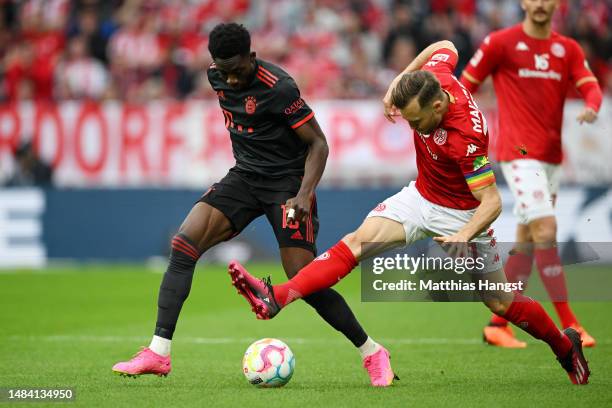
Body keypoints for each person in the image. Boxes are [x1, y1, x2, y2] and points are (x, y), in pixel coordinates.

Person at [229, 40, 591, 385]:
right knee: (357, 242)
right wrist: (396, 86)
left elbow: (492, 202)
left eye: (416, 122)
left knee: (500, 301)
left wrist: (464, 235)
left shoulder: (467, 136)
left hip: (463, 216)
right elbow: (445, 47)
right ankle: (278, 296)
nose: (413, 128)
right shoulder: (436, 78)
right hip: (420, 198)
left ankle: (564, 345)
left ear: (438, 107)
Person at [112, 23, 395, 387]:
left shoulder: (280, 88)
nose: (230, 80)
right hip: (245, 178)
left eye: (237, 70)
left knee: (302, 278)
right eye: (223, 70)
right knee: (183, 245)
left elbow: (319, 145)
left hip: (288, 186)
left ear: (252, 57)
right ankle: (157, 352)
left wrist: (305, 194)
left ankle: (372, 351)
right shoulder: (216, 75)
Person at [460, 0, 602, 348]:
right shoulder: (500, 43)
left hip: (551, 158)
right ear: (523, 3)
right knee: (546, 229)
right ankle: (572, 324)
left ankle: (497, 326)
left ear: (558, 4)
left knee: (525, 240)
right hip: (518, 154)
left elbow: (591, 86)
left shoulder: (566, 48)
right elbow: (463, 87)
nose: (539, 4)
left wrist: (592, 107)